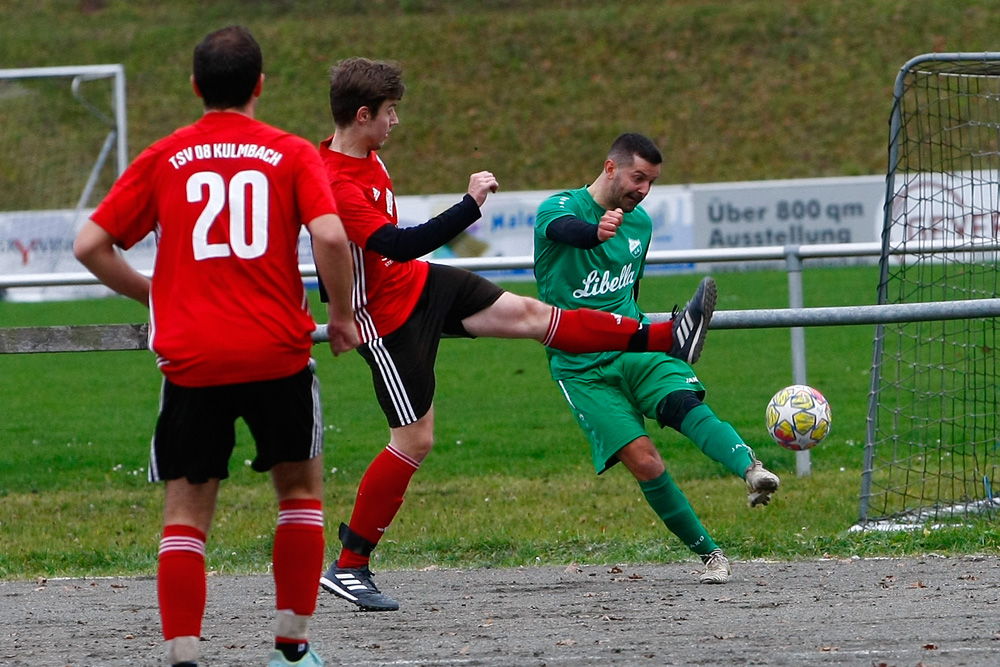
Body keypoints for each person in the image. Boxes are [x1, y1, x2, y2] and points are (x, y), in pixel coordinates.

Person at [313, 57, 713, 612]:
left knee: (532, 315)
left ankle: (669, 335)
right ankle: (351, 566)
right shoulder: (333, 181)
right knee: (415, 441)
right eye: (389, 112)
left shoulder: (364, 155)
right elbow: (398, 245)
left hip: (421, 286)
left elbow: (399, 257)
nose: (395, 122)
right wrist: (470, 205)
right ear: (362, 116)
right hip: (387, 320)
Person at [73, 26, 359, 667]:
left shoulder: (165, 155)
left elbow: (89, 244)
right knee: (300, 497)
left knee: (186, 516)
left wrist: (151, 293)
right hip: (275, 354)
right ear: (260, 85)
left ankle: (182, 654)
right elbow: (333, 239)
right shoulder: (288, 152)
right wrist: (341, 317)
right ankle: (291, 647)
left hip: (192, 362)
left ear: (197, 87)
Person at [533, 132, 781, 585]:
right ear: (611, 168)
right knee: (645, 460)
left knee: (685, 406)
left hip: (634, 345)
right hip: (580, 366)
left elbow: (631, 290)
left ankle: (752, 470)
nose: (643, 190)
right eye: (638, 177)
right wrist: (594, 233)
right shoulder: (559, 207)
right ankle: (710, 554)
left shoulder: (640, 224)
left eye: (651, 182)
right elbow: (560, 231)